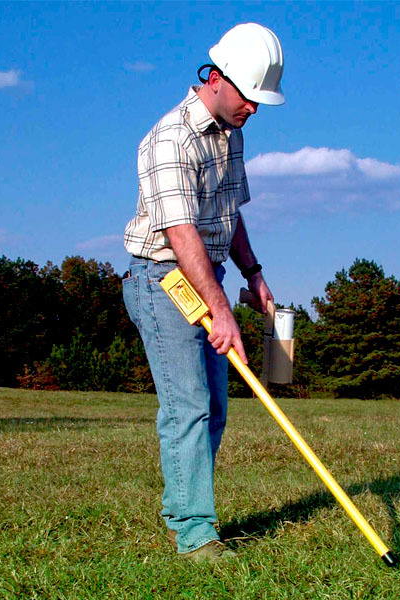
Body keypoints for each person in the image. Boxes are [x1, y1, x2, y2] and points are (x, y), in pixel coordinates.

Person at [122, 23, 285, 562]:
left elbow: (228, 215)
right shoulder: (170, 138)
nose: (253, 109)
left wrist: (253, 273)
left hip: (205, 274)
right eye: (249, 96)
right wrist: (222, 310)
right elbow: (181, 233)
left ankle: (182, 511)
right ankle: (195, 534)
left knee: (215, 408)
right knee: (188, 405)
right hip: (162, 277)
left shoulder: (231, 134)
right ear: (216, 78)